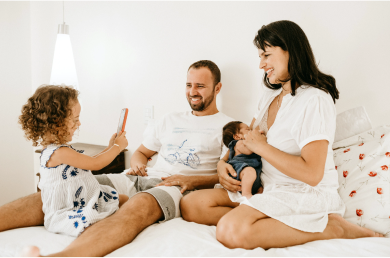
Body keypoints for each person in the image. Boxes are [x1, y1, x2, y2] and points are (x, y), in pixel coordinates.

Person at [180, 20, 383, 250]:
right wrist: (222, 163)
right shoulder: (270, 95)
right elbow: (247, 140)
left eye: (266, 55)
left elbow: (313, 173)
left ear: (290, 51)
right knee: (190, 205)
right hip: (266, 186)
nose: (261, 64)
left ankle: (333, 228)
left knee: (229, 230)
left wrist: (263, 148)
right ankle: (266, 217)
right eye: (260, 57)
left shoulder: (314, 99)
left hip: (302, 193)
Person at [1, 60, 234, 258]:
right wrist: (138, 165)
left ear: (218, 88)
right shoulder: (169, 119)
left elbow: (229, 176)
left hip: (175, 187)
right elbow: (141, 153)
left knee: (137, 207)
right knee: (70, 187)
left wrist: (192, 182)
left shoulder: (228, 126)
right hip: (137, 178)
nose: (193, 91)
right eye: (189, 85)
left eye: (201, 86)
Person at [18, 85, 129, 237]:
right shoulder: (59, 153)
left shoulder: (59, 149)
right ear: (56, 122)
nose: (79, 124)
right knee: (94, 219)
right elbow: (96, 164)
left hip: (84, 199)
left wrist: (110, 147)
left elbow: (89, 161)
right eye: (75, 120)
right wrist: (117, 147)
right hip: (70, 208)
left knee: (122, 199)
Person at [220, 121, 262, 199]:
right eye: (248, 129)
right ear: (237, 137)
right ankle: (246, 194)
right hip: (239, 170)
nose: (251, 131)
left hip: (251, 173)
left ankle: (256, 194)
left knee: (260, 187)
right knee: (249, 171)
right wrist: (258, 137)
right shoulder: (239, 143)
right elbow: (249, 150)